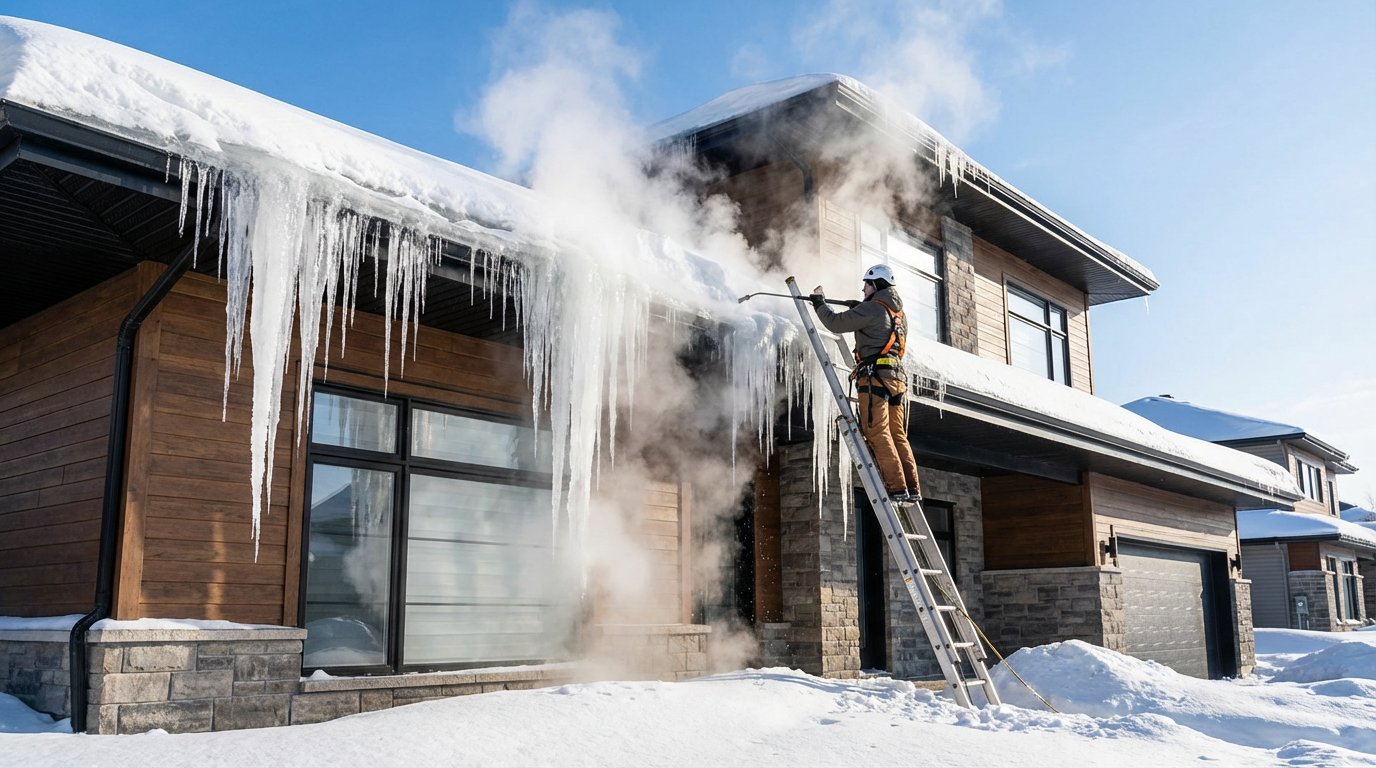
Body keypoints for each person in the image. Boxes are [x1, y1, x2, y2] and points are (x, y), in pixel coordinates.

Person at [810, 264, 921, 504]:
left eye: (867, 284)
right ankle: (912, 488)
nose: (863, 288)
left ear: (877, 285)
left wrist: (819, 303)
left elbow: (836, 323)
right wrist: (860, 307)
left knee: (877, 432)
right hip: (896, 378)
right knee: (897, 434)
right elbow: (877, 326)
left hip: (874, 378)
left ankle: (896, 488)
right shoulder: (898, 314)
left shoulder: (871, 309)